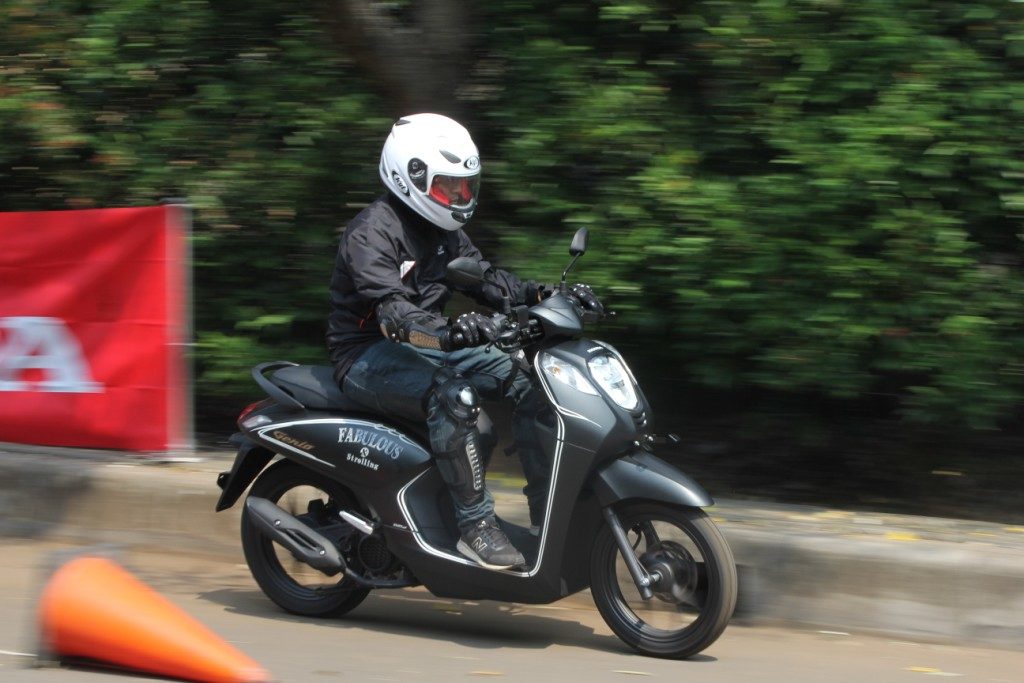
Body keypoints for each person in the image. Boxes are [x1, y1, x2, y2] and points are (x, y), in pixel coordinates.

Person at [326, 113, 602, 569]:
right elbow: (394, 317)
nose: (459, 196)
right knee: (455, 396)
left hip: (428, 341)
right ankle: (475, 528)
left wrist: (546, 294)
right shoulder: (371, 233)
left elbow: (488, 280)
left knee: (533, 381)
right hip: (366, 353)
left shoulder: (445, 233)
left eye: (465, 186)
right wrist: (451, 332)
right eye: (448, 186)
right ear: (411, 176)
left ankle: (547, 516)